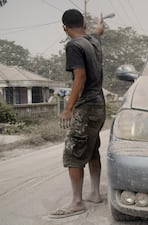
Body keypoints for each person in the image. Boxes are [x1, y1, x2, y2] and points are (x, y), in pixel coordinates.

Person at [49, 9, 106, 219]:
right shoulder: (93, 41)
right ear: (84, 24)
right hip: (100, 106)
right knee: (91, 149)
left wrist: (68, 108)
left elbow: (79, 77)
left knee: (73, 152)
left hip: (86, 106)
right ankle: (95, 193)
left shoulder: (73, 45)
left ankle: (77, 201)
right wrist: (100, 26)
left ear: (64, 27)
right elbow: (98, 32)